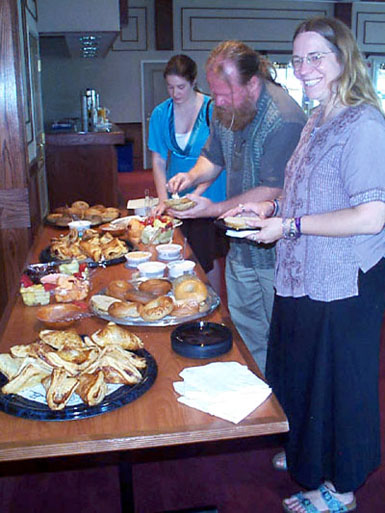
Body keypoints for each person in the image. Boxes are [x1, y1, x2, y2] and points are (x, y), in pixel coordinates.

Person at [224, 16, 385, 513]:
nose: (305, 67)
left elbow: (372, 216)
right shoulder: (318, 118)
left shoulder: (364, 123)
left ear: (344, 60)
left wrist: (289, 227)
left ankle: (342, 488)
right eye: (297, 59)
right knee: (301, 373)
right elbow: (301, 194)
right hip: (302, 273)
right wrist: (269, 211)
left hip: (343, 281)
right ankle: (307, 453)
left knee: (339, 382)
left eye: (316, 56)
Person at [167, 41, 306, 373]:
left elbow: (272, 190)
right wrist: (190, 176)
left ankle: (283, 414)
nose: (219, 102)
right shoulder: (224, 107)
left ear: (253, 83)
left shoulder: (283, 118)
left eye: (225, 94)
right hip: (241, 248)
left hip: (280, 255)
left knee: (284, 342)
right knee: (246, 333)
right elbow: (212, 158)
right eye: (214, 93)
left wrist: (210, 209)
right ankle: (259, 411)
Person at [148, 54, 227, 285]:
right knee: (179, 253)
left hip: (210, 192)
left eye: (181, 87)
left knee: (206, 257)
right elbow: (159, 160)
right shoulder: (161, 114)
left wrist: (197, 194)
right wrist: (164, 200)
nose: (175, 93)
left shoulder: (213, 110)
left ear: (193, 82)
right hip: (177, 193)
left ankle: (212, 303)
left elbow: (220, 159)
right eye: (170, 87)